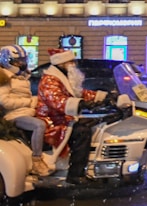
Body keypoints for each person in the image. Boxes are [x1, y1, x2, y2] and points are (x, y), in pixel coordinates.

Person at [36, 49, 108, 184]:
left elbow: (80, 93)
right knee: (82, 132)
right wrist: (82, 104)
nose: (73, 64)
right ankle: (76, 174)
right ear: (61, 63)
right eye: (70, 61)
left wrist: (104, 97)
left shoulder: (64, 78)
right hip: (52, 121)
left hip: (65, 118)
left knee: (97, 123)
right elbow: (56, 101)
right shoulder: (50, 80)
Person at [0, 45, 53, 176]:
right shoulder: (5, 78)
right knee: (38, 125)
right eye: (18, 61)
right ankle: (37, 161)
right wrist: (29, 102)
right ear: (8, 61)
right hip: (13, 116)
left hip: (26, 112)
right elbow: (4, 101)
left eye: (23, 60)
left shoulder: (22, 78)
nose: (22, 64)